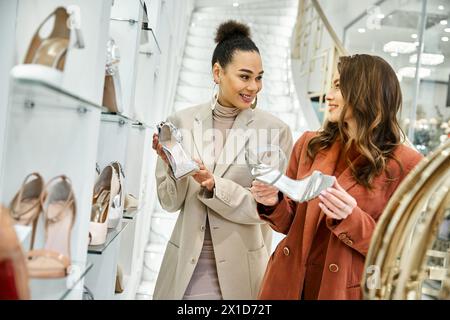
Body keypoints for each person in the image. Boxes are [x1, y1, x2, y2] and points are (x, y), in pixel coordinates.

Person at [250, 54, 423, 300]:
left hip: (342, 290)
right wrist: (272, 202)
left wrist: (351, 218)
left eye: (339, 87)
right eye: (332, 86)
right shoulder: (310, 144)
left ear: (366, 93)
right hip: (286, 282)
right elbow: (288, 223)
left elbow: (395, 249)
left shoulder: (406, 164)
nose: (328, 95)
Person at [152, 20, 293, 300]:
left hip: (242, 272)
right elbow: (169, 203)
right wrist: (174, 167)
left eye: (259, 77)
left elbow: (263, 211)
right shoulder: (181, 121)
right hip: (185, 268)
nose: (254, 86)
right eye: (244, 76)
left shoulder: (275, 131)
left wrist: (214, 185)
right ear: (218, 72)